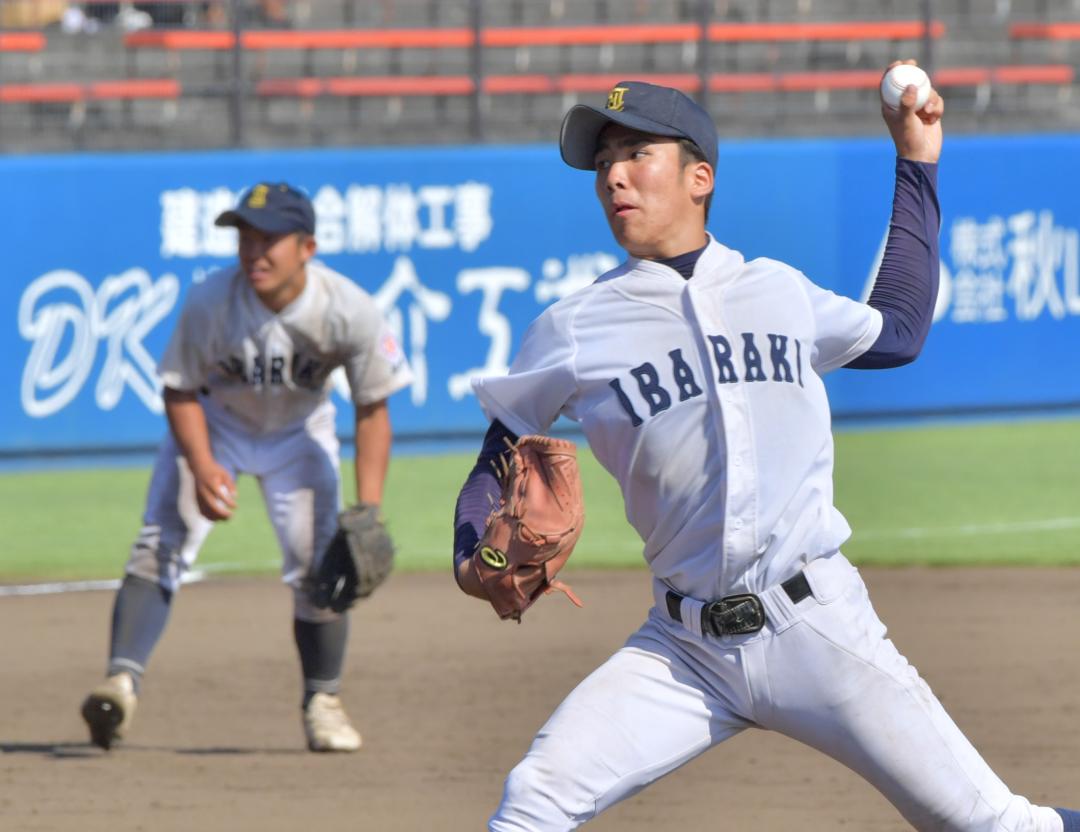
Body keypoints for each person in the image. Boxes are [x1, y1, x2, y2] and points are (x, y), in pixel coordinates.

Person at [452, 67, 1080, 830]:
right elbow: (499, 453)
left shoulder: (777, 290)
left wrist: (917, 160)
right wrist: (467, 549)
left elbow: (901, 329)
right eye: (603, 161)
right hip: (682, 653)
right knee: (533, 801)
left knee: (997, 826)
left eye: (635, 152)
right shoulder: (576, 327)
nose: (613, 174)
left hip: (815, 627)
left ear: (699, 177)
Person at [81, 182, 411, 753]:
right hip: (217, 425)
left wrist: (370, 507)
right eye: (245, 237)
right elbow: (178, 389)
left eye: (268, 239)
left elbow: (372, 408)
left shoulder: (348, 308)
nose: (253, 252)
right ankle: (120, 684)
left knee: (321, 566)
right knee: (159, 545)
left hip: (298, 435)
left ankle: (323, 702)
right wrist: (203, 462)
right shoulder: (212, 300)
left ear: (306, 246)